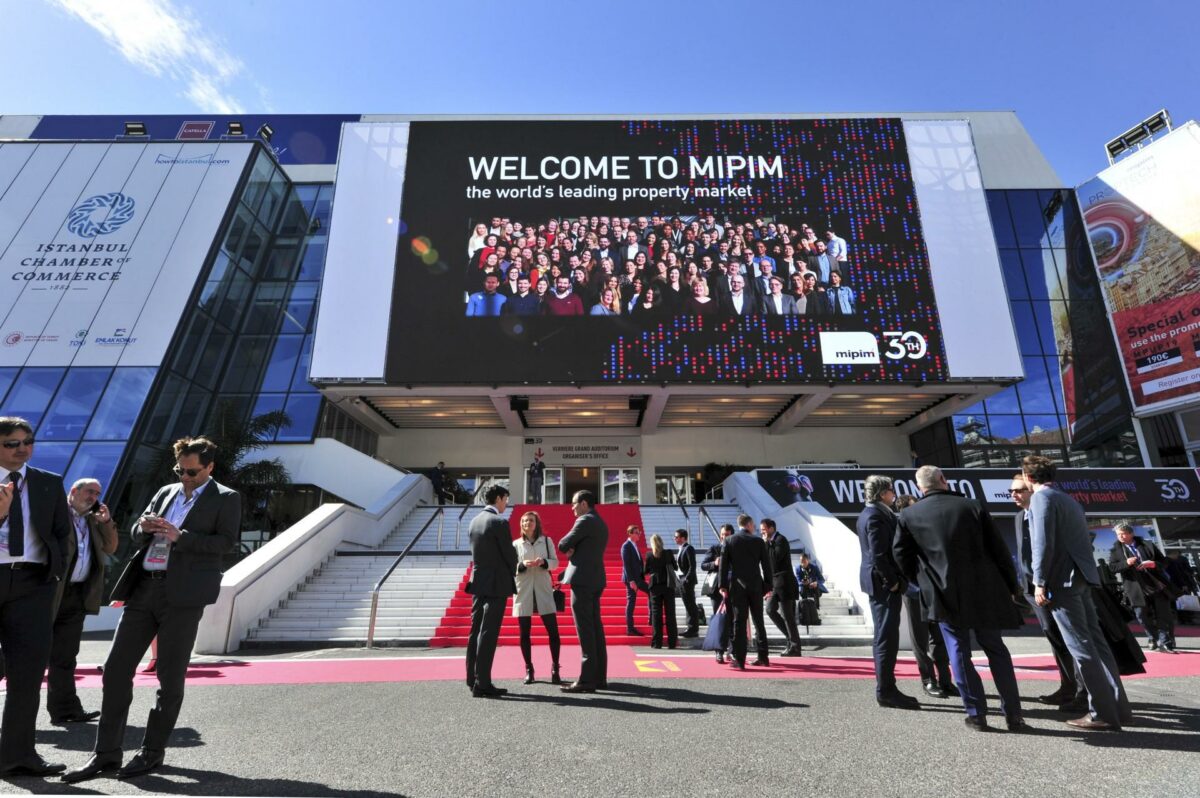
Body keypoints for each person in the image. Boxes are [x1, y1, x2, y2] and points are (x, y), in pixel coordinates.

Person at [65, 437, 240, 783]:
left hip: (183, 596)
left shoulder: (227, 498)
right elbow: (133, 530)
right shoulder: (166, 491)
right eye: (180, 470)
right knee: (115, 670)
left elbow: (227, 543)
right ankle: (106, 754)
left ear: (209, 468)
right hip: (145, 587)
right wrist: (142, 528)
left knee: (169, 678)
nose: (185, 477)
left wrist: (181, 537)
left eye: (192, 471)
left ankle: (151, 752)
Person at [895, 466, 1026, 732]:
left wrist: (922, 582)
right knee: (996, 648)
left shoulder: (909, 515)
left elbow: (900, 556)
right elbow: (998, 549)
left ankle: (976, 714)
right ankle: (1013, 714)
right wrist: (1013, 585)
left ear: (919, 487)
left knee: (958, 650)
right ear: (944, 480)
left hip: (943, 594)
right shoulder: (972, 506)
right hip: (985, 588)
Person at [1023, 455, 1132, 731]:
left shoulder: (1041, 499)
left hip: (1063, 582)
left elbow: (1043, 543)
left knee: (1080, 647)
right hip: (1082, 578)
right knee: (1097, 644)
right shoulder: (1068, 499)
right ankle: (1118, 707)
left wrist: (1039, 581)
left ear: (1028, 477)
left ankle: (1102, 714)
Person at [0, 417, 71, 778]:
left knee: (27, 676)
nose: (22, 448)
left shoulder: (48, 483)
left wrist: (53, 578)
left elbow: (63, 536)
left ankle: (17, 756)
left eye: (28, 441)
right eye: (12, 443)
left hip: (32, 584)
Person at [1008, 475, 1087, 710]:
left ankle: (1084, 693)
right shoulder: (1018, 517)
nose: (1014, 494)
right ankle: (1068, 687)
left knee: (1071, 638)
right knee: (1054, 637)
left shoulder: (1049, 510)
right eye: (1011, 490)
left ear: (1032, 488)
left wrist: (1045, 581)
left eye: (1019, 490)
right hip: (1033, 589)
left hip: (1056, 584)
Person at [48, 478, 118, 725]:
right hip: (46, 594)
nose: (93, 497)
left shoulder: (93, 520)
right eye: (89, 491)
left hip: (75, 596)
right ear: (74, 491)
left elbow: (110, 547)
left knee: (65, 657)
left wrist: (107, 522)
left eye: (97, 493)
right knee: (19, 654)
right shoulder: (54, 512)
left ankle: (65, 710)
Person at [856, 475, 918, 710]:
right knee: (885, 637)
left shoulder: (874, 513)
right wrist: (892, 582)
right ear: (882, 493)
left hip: (881, 583)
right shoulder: (874, 515)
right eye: (891, 490)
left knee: (886, 636)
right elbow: (878, 554)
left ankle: (888, 688)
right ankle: (886, 690)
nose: (894, 494)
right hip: (883, 585)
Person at [893, 493, 954, 700]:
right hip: (914, 590)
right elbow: (899, 558)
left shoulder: (926, 526)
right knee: (920, 639)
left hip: (934, 589)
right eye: (914, 506)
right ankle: (928, 680)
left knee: (938, 636)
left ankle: (946, 680)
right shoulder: (900, 528)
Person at [464, 485, 517, 699]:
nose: (506, 503)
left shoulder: (474, 521)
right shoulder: (499, 522)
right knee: (489, 632)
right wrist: (515, 570)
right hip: (497, 582)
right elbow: (509, 554)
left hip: (478, 581)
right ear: (498, 498)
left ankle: (472, 677)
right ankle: (483, 683)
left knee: (475, 629)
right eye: (506, 499)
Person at [558, 490, 609, 693]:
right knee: (596, 629)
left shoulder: (584, 521)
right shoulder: (600, 522)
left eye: (574, 503)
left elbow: (563, 544)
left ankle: (587, 680)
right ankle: (599, 678)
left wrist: (572, 549)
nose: (572, 508)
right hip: (596, 579)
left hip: (582, 581)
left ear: (585, 503)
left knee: (586, 631)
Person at [1109, 521, 1176, 653]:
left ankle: (1165, 641)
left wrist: (1154, 564)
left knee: (1163, 613)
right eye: (1118, 535)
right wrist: (1125, 563)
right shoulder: (1115, 550)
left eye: (1122, 534)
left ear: (1130, 534)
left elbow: (1164, 562)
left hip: (1156, 584)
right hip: (1135, 587)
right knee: (1141, 615)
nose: (1120, 537)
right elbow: (1112, 568)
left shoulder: (1147, 545)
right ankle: (1152, 637)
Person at [512, 511, 561, 685]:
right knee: (524, 633)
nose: (527, 523)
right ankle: (528, 669)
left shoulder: (546, 541)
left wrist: (544, 562)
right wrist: (521, 565)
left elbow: (556, 563)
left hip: (543, 589)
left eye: (531, 520)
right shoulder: (516, 544)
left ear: (536, 523)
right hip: (523, 590)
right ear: (521, 525)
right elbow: (510, 567)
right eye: (524, 521)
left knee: (553, 632)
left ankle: (555, 667)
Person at [719, 514, 772, 670]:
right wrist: (768, 586)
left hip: (738, 586)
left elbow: (723, 565)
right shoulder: (758, 541)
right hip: (756, 585)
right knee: (759, 622)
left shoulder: (729, 541)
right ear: (748, 524)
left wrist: (723, 585)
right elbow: (766, 565)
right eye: (753, 524)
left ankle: (740, 660)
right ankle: (763, 657)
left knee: (739, 623)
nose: (754, 527)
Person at [761, 519, 802, 657]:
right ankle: (790, 638)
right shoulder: (769, 543)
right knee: (770, 609)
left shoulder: (780, 540)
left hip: (785, 584)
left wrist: (767, 543)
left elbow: (774, 559)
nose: (762, 532)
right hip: (774, 584)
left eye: (764, 529)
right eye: (761, 530)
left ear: (771, 528)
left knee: (788, 616)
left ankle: (795, 647)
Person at [701, 524, 734, 662]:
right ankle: (719, 651)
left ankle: (732, 651)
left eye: (726, 534)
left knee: (732, 620)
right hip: (716, 590)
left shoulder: (736, 549)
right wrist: (714, 563)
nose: (723, 537)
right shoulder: (714, 548)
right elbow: (703, 565)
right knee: (720, 620)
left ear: (732, 535)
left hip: (733, 588)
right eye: (722, 534)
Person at [643, 534, 678, 649]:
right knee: (670, 615)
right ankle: (672, 642)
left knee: (656, 615)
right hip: (668, 587)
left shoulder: (649, 555)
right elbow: (675, 567)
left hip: (655, 587)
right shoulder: (668, 553)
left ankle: (657, 643)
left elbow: (645, 571)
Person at [621, 524, 649, 635]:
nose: (639, 535)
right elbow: (626, 565)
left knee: (651, 592)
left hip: (638, 578)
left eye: (639, 532)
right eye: (637, 533)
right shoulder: (626, 546)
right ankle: (630, 628)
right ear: (630, 534)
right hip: (632, 580)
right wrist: (631, 581)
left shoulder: (634, 545)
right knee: (631, 602)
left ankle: (651, 618)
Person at [673, 528, 700, 638]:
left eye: (677, 537)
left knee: (690, 605)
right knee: (688, 604)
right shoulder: (681, 548)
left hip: (686, 581)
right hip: (681, 580)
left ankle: (693, 628)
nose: (675, 539)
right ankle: (691, 627)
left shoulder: (688, 548)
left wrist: (686, 579)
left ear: (683, 538)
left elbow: (692, 566)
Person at [795, 553, 825, 627]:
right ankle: (804, 607)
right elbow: (798, 580)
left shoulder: (814, 567)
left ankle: (817, 608)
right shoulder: (798, 568)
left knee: (816, 588)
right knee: (802, 589)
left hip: (813, 587)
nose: (802, 563)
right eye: (801, 561)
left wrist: (816, 582)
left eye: (804, 561)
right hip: (804, 587)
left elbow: (822, 579)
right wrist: (802, 582)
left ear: (808, 560)